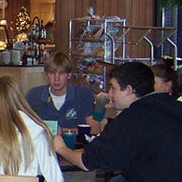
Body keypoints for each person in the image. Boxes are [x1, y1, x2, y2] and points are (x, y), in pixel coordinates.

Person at [53, 62, 182, 181]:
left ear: (129, 90)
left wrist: (61, 148)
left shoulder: (132, 120)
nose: (109, 94)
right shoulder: (173, 106)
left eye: (113, 88)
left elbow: (87, 162)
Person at [26, 52, 101, 135]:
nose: (56, 79)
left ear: (69, 75)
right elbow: (24, 127)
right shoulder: (34, 95)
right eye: (52, 73)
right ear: (46, 74)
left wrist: (62, 131)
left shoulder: (83, 95)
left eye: (61, 73)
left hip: (75, 147)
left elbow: (95, 129)